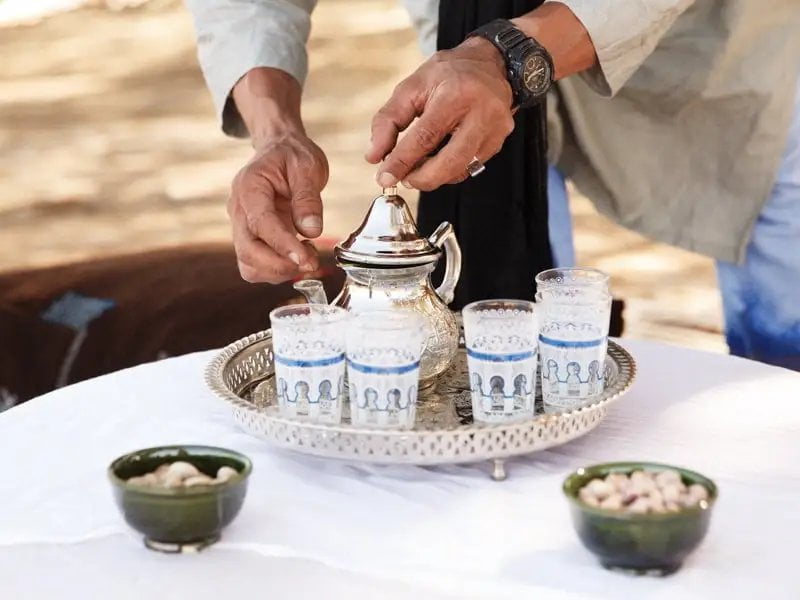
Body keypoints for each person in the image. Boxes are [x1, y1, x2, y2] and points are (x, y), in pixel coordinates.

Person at [185, 1, 800, 368]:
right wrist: (275, 132)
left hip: (719, 58)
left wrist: (509, 56)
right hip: (470, 54)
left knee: (781, 341)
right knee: (510, 329)